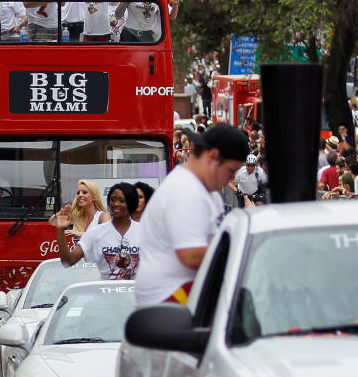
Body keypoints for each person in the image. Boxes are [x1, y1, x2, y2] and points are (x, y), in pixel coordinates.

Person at [135, 125, 248, 307]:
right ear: (212, 157)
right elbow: (192, 256)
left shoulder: (205, 190)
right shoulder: (186, 191)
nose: (231, 178)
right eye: (231, 170)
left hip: (182, 293)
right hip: (169, 300)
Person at [51, 182, 143, 280]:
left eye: (122, 200)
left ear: (131, 203)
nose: (116, 204)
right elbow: (68, 262)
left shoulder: (145, 232)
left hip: (136, 294)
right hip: (103, 294)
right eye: (113, 200)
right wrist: (60, 230)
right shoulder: (95, 233)